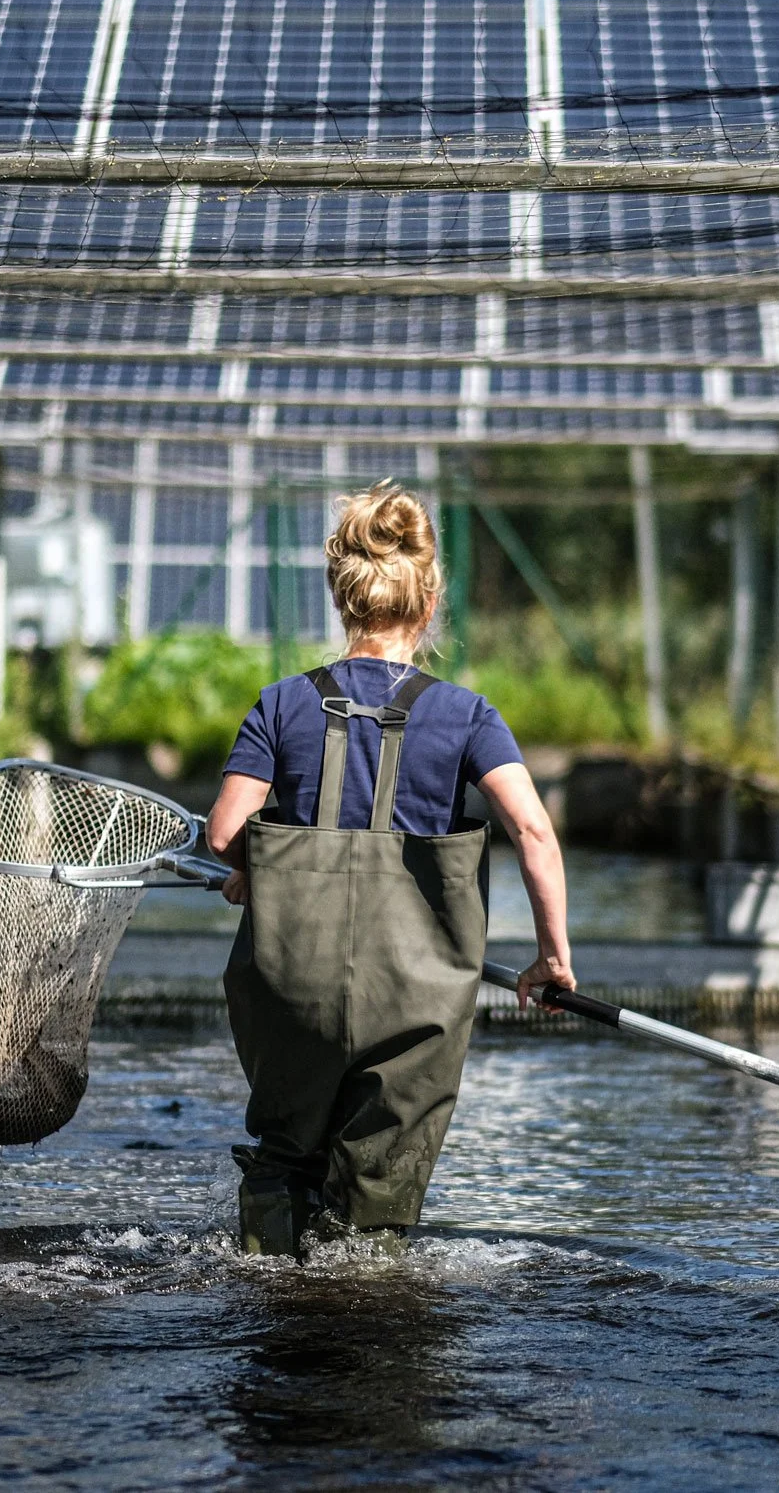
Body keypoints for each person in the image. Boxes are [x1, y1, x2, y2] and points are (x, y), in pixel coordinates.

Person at [204, 480, 576, 1258]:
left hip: (292, 983)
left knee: (284, 1160)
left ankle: (264, 1281)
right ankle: (366, 1302)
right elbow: (534, 833)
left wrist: (256, 869)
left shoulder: (280, 704)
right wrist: (552, 957)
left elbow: (225, 833)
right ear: (429, 601)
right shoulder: (469, 715)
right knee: (378, 1197)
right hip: (415, 998)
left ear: (342, 596)